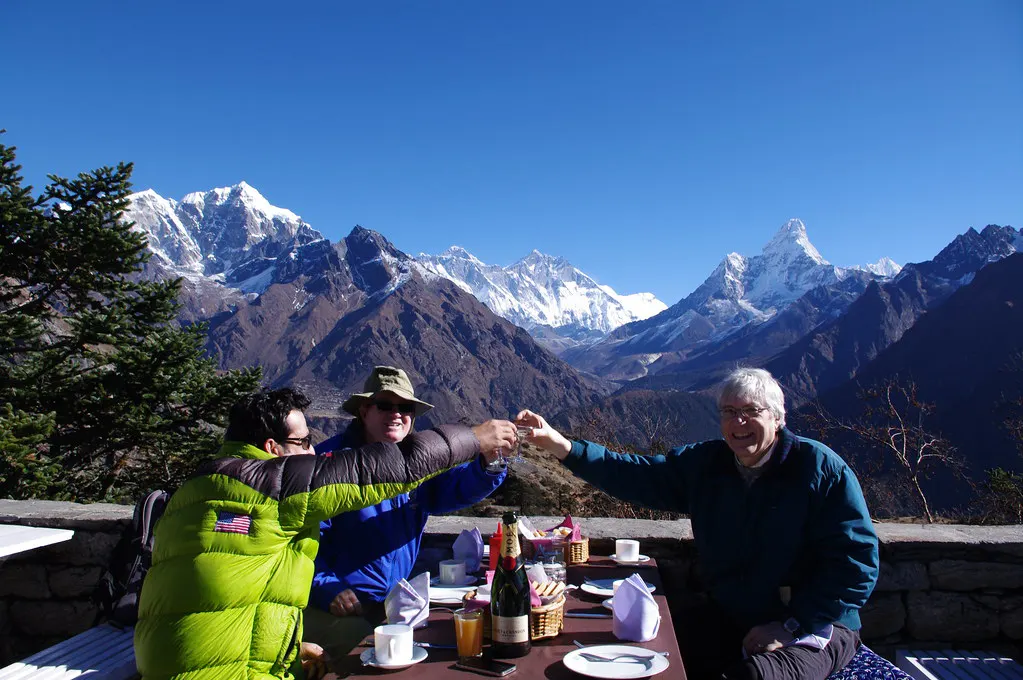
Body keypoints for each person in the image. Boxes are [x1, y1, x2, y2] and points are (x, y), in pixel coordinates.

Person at [518, 367, 879, 680]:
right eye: (729, 411)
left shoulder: (819, 469)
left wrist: (790, 625)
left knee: (755, 675)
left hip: (816, 625)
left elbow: (856, 565)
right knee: (643, 651)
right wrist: (561, 445)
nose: (738, 422)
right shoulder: (706, 465)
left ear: (778, 417)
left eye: (751, 411)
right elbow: (633, 474)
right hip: (732, 615)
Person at [134, 387, 517, 680]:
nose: (313, 450)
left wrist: (292, 647)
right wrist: (473, 437)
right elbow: (395, 468)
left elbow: (234, 600)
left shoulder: (194, 490)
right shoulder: (277, 487)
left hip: (165, 663)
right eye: (303, 443)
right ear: (272, 448)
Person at [304, 366, 508, 658]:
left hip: (392, 604)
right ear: (364, 412)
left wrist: (489, 464)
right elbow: (301, 540)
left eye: (405, 408)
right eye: (385, 405)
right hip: (342, 608)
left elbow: (453, 489)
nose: (396, 413)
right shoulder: (332, 463)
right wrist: (327, 588)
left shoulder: (415, 463)